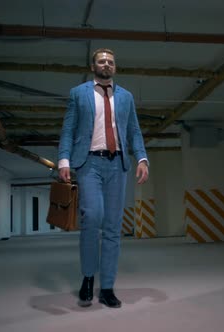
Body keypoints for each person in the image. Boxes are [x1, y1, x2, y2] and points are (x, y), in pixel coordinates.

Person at [58, 48, 149, 308]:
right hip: (89, 163)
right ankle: (88, 278)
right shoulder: (79, 94)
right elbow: (68, 129)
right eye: (102, 61)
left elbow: (134, 131)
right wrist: (64, 159)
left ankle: (107, 287)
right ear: (93, 65)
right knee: (93, 216)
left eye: (110, 61)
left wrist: (142, 158)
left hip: (117, 164)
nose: (106, 64)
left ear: (115, 67)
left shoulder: (126, 97)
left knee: (112, 227)